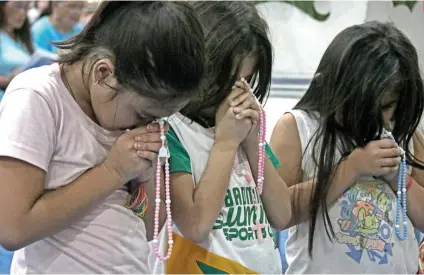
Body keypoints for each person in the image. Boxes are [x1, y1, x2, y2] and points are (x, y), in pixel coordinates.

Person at [0, 1, 205, 274]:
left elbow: (147, 227)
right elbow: (12, 228)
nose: (149, 124)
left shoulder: (129, 117)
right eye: (143, 113)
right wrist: (113, 171)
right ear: (104, 74)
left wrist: (146, 176)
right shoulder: (39, 97)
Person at [270, 21, 424, 273]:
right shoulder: (298, 127)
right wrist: (351, 168)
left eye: (386, 107)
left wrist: (399, 179)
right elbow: (280, 213)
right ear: (330, 89)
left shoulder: (406, 137)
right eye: (360, 107)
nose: (372, 118)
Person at [149, 2, 291, 274]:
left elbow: (282, 214)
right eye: (224, 80)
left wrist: (252, 142)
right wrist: (226, 144)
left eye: (245, 80)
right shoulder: (171, 129)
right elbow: (195, 224)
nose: (234, 93)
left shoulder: (244, 127)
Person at [0, 1, 34, 92]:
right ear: (2, 6)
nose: (23, 13)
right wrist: (8, 79)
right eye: (18, 6)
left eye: (26, 7)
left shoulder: (23, 37)